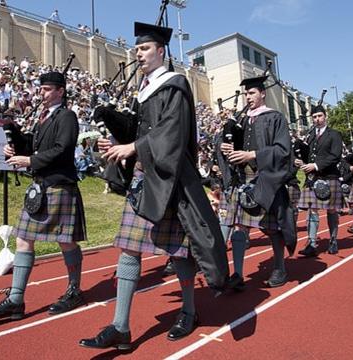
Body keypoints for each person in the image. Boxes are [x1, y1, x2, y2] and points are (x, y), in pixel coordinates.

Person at [79, 22, 229, 350]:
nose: (138, 53)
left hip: (170, 178)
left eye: (144, 49)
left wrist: (133, 148)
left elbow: (172, 132)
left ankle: (189, 311)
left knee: (178, 251)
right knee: (129, 247)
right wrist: (110, 119)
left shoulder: (175, 84)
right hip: (144, 178)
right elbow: (136, 127)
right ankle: (121, 326)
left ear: (161, 51)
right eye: (136, 49)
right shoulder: (145, 88)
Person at [0, 71, 87, 321]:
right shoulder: (43, 119)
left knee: (65, 241)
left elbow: (63, 148)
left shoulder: (67, 116)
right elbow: (32, 145)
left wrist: (30, 160)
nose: (42, 93)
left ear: (60, 91)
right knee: (23, 239)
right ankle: (16, 299)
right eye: (41, 89)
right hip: (40, 187)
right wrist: (14, 137)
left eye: (47, 89)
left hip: (60, 186)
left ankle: (74, 290)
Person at [219, 75, 297, 288]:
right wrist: (228, 149)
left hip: (266, 179)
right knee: (239, 226)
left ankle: (280, 268)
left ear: (263, 93)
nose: (248, 97)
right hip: (242, 179)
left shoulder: (275, 117)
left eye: (251, 92)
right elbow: (232, 145)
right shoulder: (242, 120)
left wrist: (252, 155)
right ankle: (237, 274)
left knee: (272, 229)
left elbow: (283, 151)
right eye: (245, 93)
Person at [296, 105, 344, 256]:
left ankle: (333, 240)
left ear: (325, 116)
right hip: (313, 178)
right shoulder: (310, 136)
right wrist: (300, 161)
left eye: (319, 116)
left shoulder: (334, 134)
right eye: (314, 117)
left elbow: (335, 156)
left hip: (329, 176)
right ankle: (311, 243)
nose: (317, 119)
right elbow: (308, 156)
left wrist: (315, 166)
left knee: (331, 210)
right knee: (312, 210)